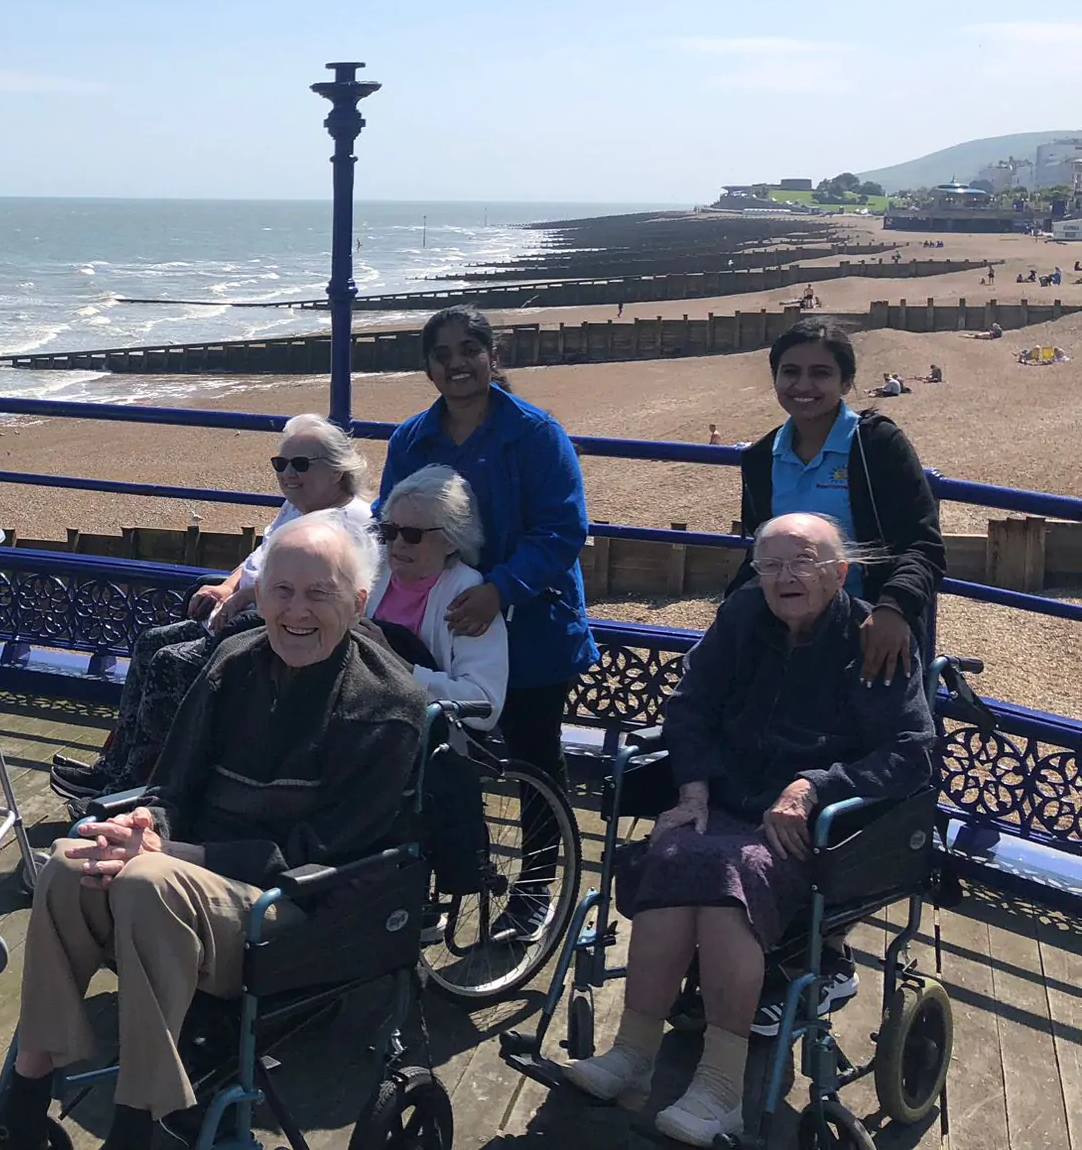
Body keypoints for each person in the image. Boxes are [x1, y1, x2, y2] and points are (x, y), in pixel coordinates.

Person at [0, 512, 429, 1150]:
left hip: (300, 908)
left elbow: (320, 853)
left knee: (146, 882)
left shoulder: (385, 704)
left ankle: (134, 1128)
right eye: (281, 590)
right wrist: (144, 821)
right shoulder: (234, 662)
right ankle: (23, 1110)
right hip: (182, 883)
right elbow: (171, 789)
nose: (296, 611)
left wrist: (170, 850)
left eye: (318, 593)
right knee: (69, 862)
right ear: (260, 592)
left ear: (357, 604)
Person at [565, 514, 935, 1146]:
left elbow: (912, 752)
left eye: (803, 562)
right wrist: (694, 786)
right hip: (725, 800)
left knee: (731, 877)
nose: (785, 577)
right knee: (673, 854)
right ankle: (633, 1050)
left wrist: (815, 786)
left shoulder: (870, 638)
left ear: (839, 571)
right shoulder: (742, 617)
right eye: (770, 565)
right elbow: (689, 706)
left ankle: (721, 1088)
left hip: (810, 826)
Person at [375, 305, 595, 942]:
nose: (457, 363)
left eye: (470, 349)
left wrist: (499, 590)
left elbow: (563, 530)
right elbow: (390, 523)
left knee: (532, 761)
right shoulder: (411, 438)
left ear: (492, 356)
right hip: (433, 618)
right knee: (434, 758)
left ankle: (534, 890)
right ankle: (435, 880)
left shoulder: (534, 432)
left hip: (530, 625)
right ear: (427, 366)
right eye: (441, 354)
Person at [49, 413, 375, 800]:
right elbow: (259, 558)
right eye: (280, 463)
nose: (288, 473)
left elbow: (312, 590)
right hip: (252, 612)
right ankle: (115, 766)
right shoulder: (301, 505)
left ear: (338, 470)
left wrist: (243, 598)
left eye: (301, 464)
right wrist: (227, 586)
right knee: (152, 642)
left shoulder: (347, 522)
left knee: (172, 662)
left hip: (291, 626)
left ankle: (136, 782)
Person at [729, 319, 944, 688]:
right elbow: (760, 551)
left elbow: (923, 545)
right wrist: (733, 611)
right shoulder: (760, 458)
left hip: (869, 630)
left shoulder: (877, 445)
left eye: (821, 374)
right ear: (775, 379)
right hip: (785, 634)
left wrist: (893, 609)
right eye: (790, 372)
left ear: (846, 383)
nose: (803, 386)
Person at [367, 465, 509, 730]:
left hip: (426, 739)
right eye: (390, 531)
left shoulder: (467, 594)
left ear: (451, 541)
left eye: (413, 535)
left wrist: (400, 668)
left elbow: (485, 705)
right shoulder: (370, 571)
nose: (398, 543)